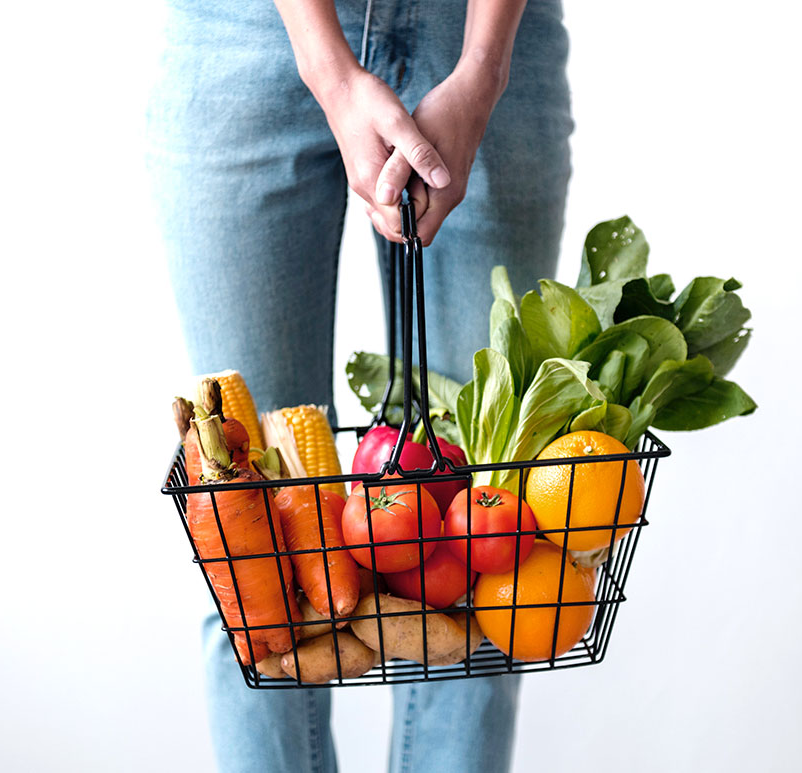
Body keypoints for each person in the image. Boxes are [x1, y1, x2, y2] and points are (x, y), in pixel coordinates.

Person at [146, 0, 573, 770]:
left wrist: (483, 67)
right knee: (252, 562)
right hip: (247, 32)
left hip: (482, 31)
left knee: (488, 553)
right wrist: (325, 64)